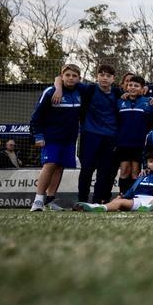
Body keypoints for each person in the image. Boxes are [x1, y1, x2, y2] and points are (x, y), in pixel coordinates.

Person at [55, 63, 120, 204]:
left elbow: (137, 91)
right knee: (87, 169)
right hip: (90, 134)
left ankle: (97, 201)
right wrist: (58, 89)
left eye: (108, 76)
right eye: (101, 75)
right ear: (97, 77)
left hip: (110, 137)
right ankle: (82, 200)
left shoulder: (118, 93)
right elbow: (58, 78)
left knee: (104, 171)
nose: (104, 78)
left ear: (113, 79)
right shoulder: (89, 89)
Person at [29, 64, 83, 211]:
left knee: (59, 168)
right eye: (68, 75)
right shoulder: (51, 91)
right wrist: (38, 135)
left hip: (70, 139)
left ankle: (50, 201)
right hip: (51, 138)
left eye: (74, 76)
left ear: (79, 78)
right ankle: (38, 200)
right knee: (50, 165)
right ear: (62, 76)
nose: (71, 78)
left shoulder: (81, 91)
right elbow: (36, 117)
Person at [72, 150, 153, 212]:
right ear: (147, 164)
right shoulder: (142, 175)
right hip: (137, 200)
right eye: (151, 161)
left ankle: (149, 208)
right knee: (118, 202)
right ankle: (97, 207)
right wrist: (123, 197)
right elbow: (132, 190)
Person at [115, 74, 153, 195]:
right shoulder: (120, 102)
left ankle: (133, 196)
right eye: (130, 85)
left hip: (140, 143)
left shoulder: (149, 102)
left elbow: (152, 122)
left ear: (142, 88)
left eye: (136, 86)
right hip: (124, 142)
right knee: (124, 171)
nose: (133, 87)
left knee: (135, 172)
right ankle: (122, 195)